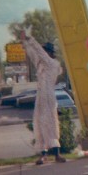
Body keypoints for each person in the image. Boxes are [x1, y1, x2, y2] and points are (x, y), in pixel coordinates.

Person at [19, 26, 66, 165]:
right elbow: (34, 54)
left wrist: (30, 39)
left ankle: (57, 154)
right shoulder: (41, 65)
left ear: (50, 53)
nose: (43, 53)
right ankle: (43, 154)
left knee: (51, 122)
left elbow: (39, 53)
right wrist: (25, 42)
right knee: (39, 123)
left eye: (46, 51)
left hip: (49, 96)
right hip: (41, 96)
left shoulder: (53, 64)